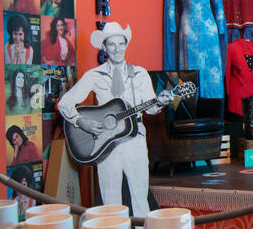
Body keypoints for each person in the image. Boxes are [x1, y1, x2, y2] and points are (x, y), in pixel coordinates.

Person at [57, 22, 173, 217]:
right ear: (104, 47)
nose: (117, 49)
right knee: (110, 201)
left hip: (135, 139)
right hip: (105, 142)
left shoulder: (140, 74)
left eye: (121, 44)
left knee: (139, 197)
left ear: (126, 45)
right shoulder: (94, 75)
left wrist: (161, 102)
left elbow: (151, 108)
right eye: (112, 45)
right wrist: (81, 121)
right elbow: (64, 103)